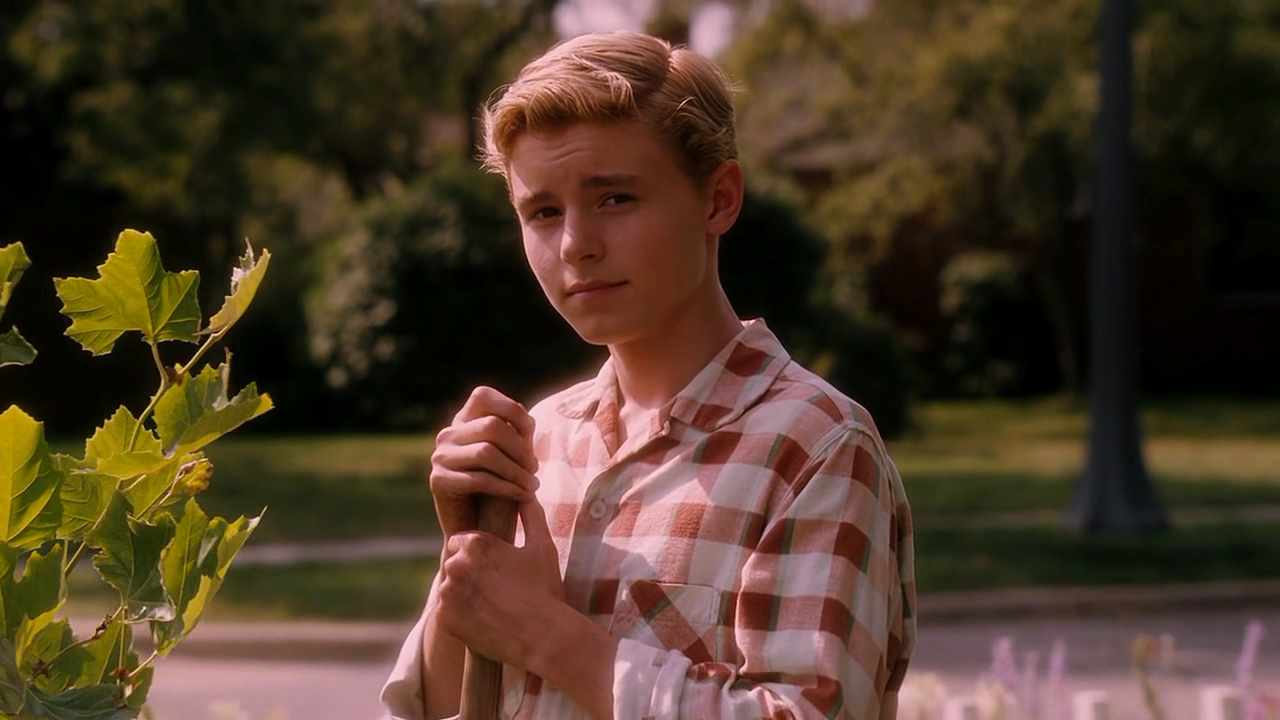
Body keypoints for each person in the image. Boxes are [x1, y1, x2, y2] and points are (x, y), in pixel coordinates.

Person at [379, 30, 916, 720]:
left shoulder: (816, 446)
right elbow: (439, 707)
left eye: (614, 199)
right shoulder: (537, 441)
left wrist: (551, 637)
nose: (576, 244)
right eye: (543, 211)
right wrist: (469, 552)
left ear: (719, 199)